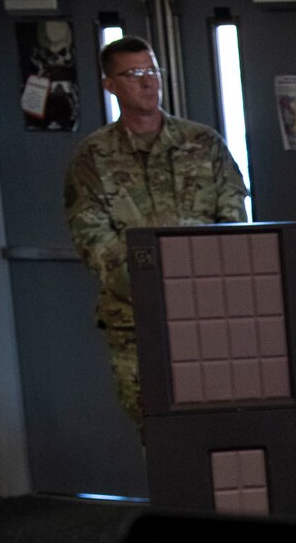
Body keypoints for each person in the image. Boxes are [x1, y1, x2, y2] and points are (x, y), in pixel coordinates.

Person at [63, 37, 247, 426]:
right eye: (134, 74)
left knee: (221, 421)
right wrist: (153, 279)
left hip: (208, 312)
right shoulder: (93, 157)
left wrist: (197, 280)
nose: (148, 83)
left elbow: (233, 223)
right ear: (110, 85)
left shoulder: (202, 143)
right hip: (136, 319)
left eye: (153, 71)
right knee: (156, 427)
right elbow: (92, 239)